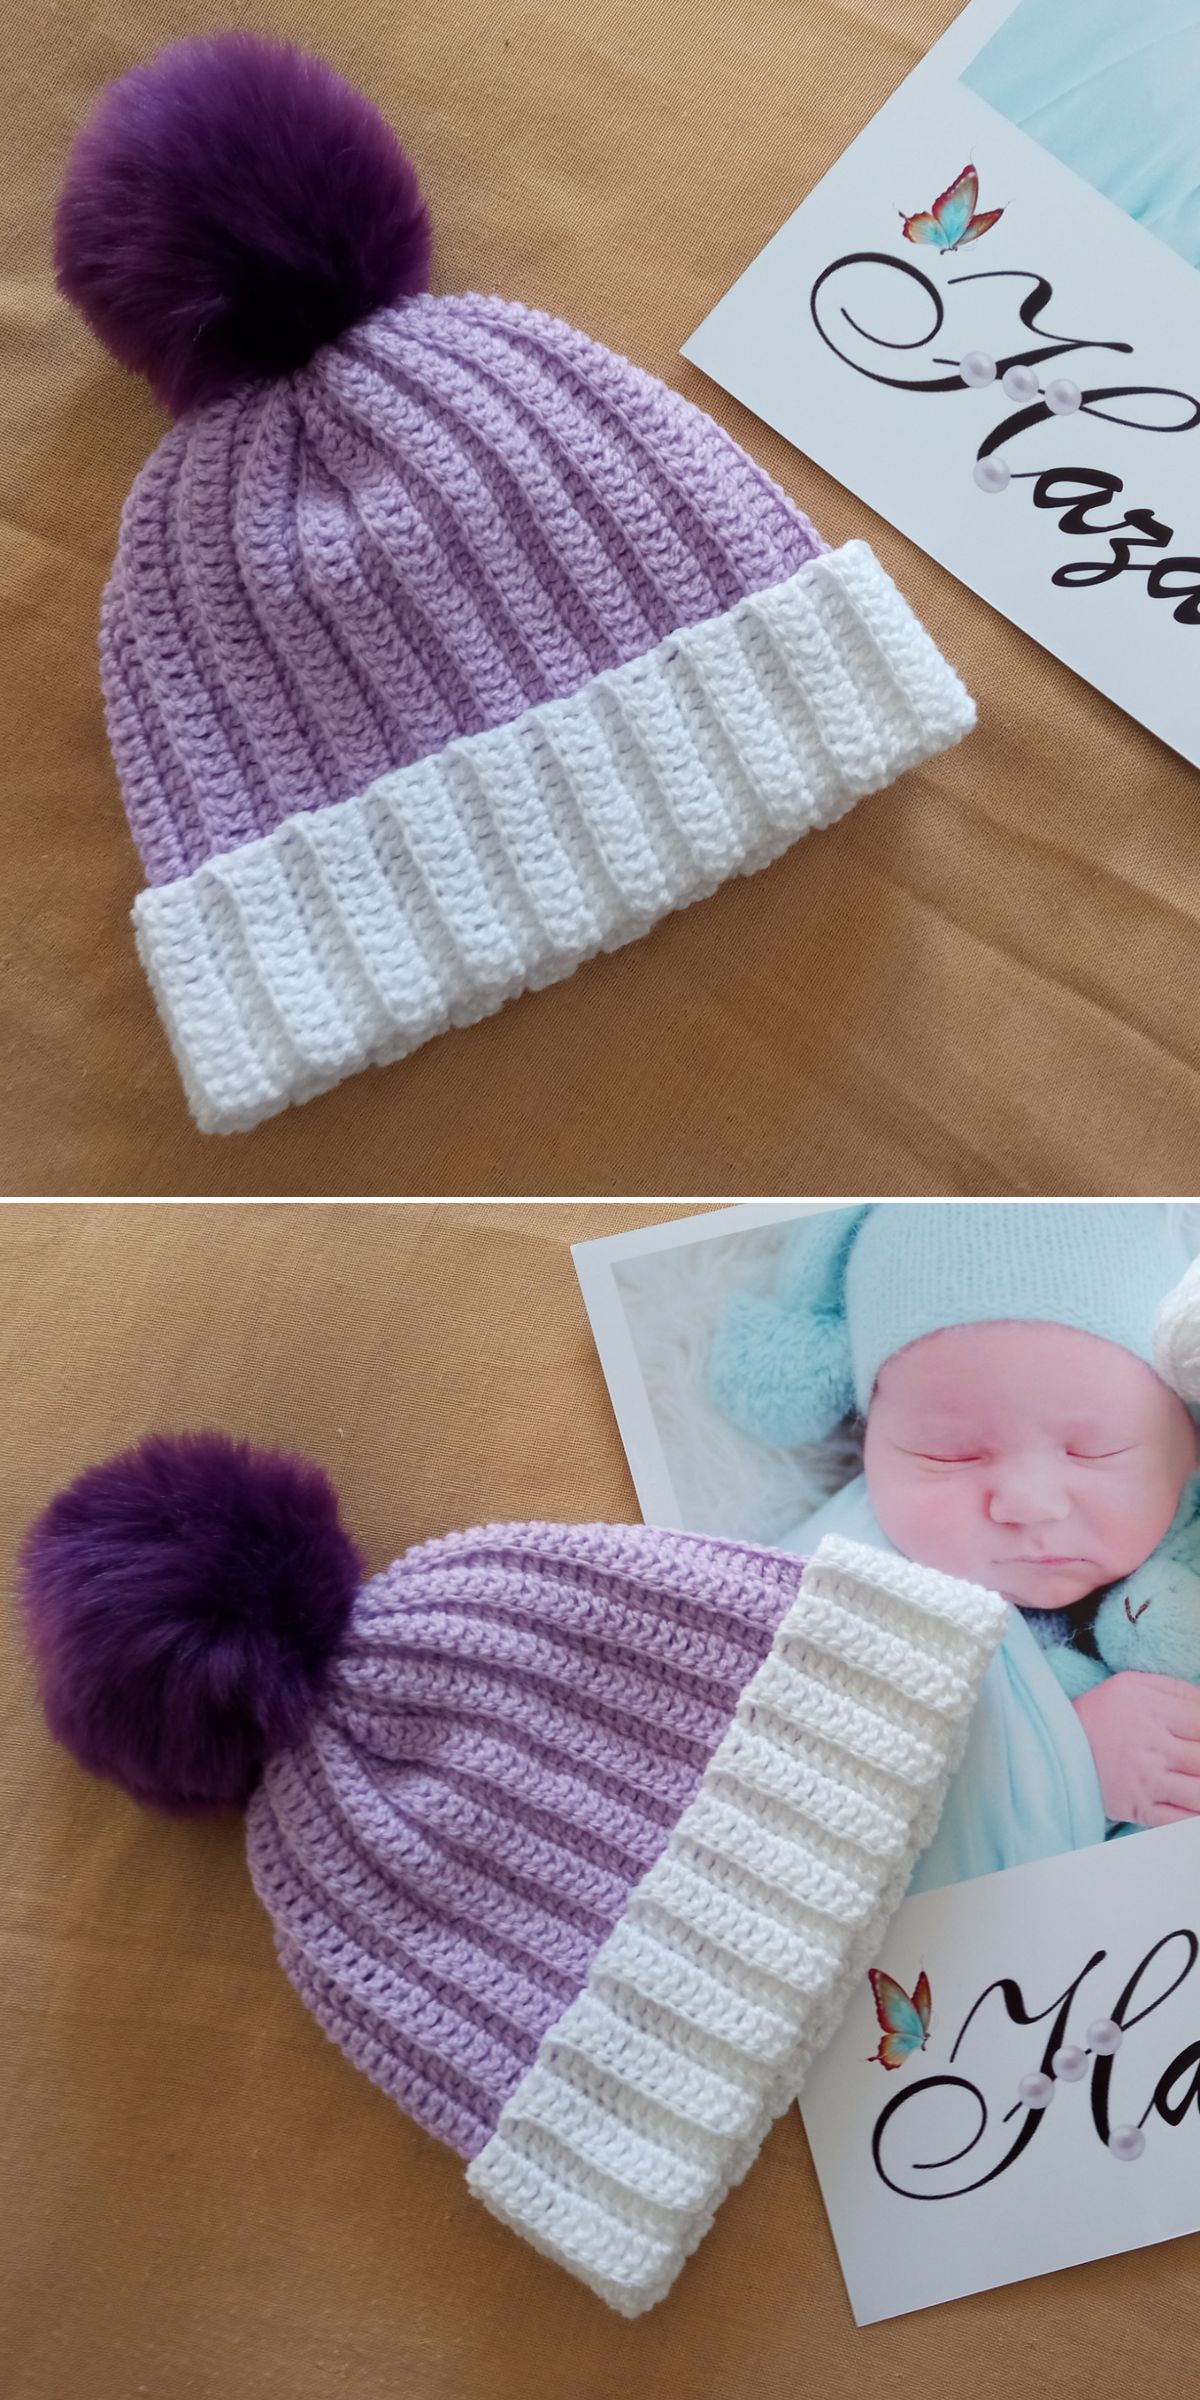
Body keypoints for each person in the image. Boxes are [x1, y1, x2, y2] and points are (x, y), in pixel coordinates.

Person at [710, 1202, 1200, 1890]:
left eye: (1096, 1449)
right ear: (867, 1440)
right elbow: (781, 1836)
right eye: (950, 1454)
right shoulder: (834, 1585)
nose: (1029, 1504)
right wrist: (1069, 1763)